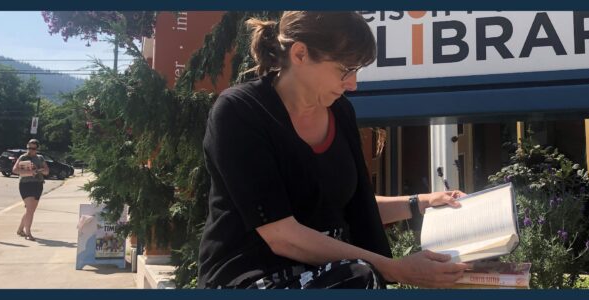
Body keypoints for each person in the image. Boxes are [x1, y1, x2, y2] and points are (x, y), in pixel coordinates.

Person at [198, 11, 471, 289]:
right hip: (251, 277)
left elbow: (351, 207)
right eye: (345, 69)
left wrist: (421, 203)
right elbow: (281, 234)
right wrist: (395, 270)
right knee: (361, 276)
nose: (352, 84)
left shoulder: (340, 112)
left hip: (337, 277)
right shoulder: (240, 111)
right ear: (300, 54)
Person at [12, 139, 49, 241]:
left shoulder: (40, 158)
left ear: (37, 148)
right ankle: (28, 233)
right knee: (30, 210)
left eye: (33, 148)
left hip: (38, 185)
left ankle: (20, 229)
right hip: (25, 185)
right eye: (28, 148)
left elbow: (46, 171)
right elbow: (14, 170)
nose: (30, 150)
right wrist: (29, 172)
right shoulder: (23, 157)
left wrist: (39, 170)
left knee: (30, 210)